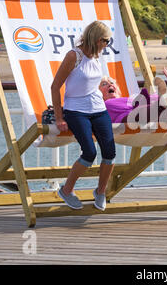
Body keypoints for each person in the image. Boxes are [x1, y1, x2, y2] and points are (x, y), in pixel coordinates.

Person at [51, 21, 115, 211]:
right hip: (76, 110)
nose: (107, 44)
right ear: (97, 39)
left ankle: (100, 192)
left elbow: (93, 84)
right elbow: (55, 86)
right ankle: (67, 190)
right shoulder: (74, 56)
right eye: (106, 41)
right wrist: (59, 117)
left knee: (110, 153)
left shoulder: (97, 55)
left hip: (98, 108)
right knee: (89, 153)